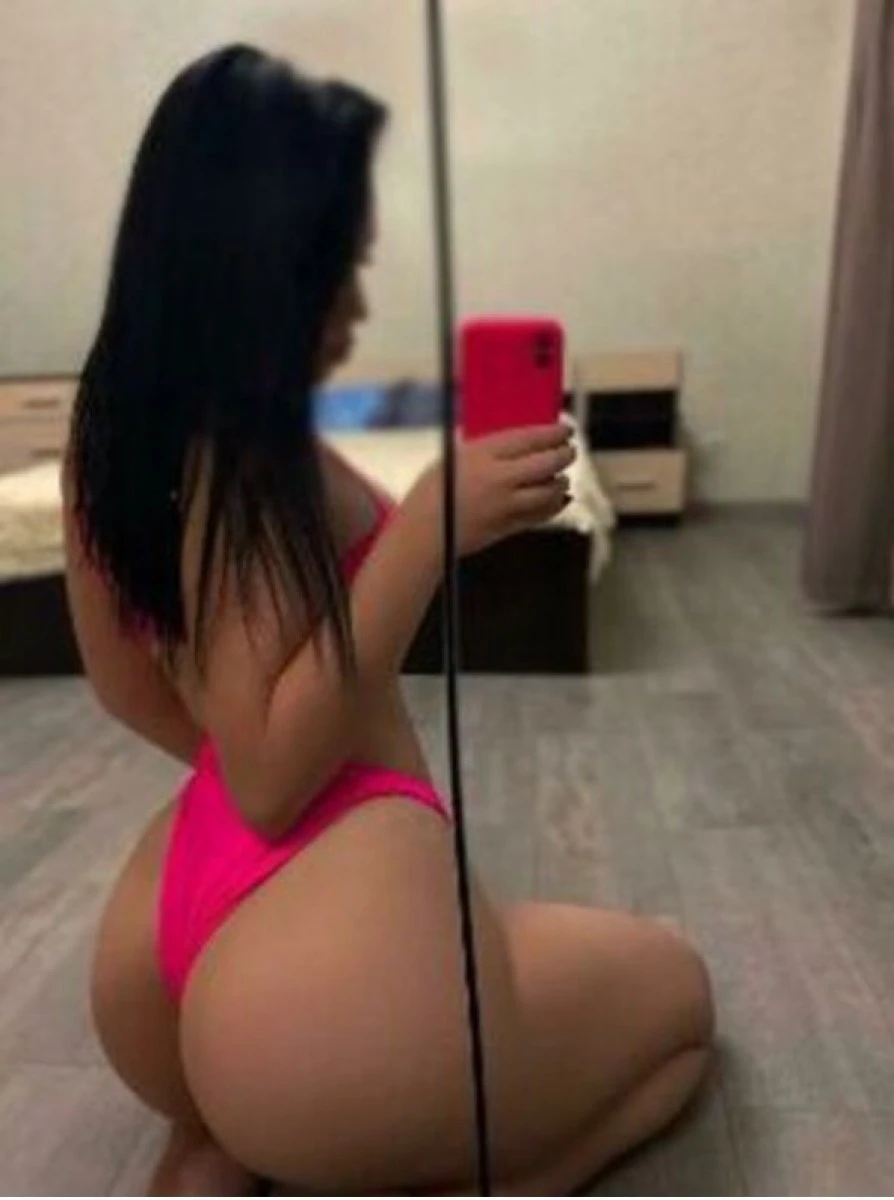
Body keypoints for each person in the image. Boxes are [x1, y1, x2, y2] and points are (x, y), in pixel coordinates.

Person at [64, 44, 714, 1196]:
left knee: (446, 997)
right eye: (337, 272)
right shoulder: (251, 453)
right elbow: (275, 775)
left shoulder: (115, 421)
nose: (356, 311)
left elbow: (128, 688)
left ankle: (223, 1127)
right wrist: (424, 531)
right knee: (682, 1007)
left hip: (172, 923)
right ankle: (440, 1163)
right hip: (317, 983)